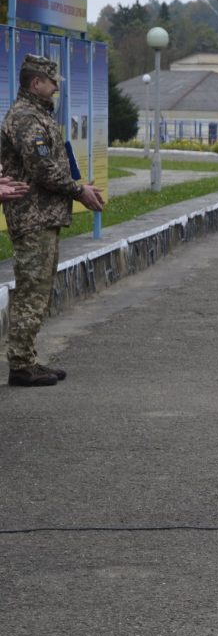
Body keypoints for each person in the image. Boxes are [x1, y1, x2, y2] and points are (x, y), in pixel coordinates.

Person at [1, 54, 105, 387]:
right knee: (32, 291)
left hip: (43, 214)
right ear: (36, 83)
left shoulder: (37, 115)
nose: (56, 86)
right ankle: (20, 363)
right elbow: (42, 168)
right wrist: (79, 191)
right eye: (51, 81)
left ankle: (27, 358)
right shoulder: (26, 118)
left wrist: (76, 187)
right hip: (32, 215)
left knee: (39, 290)